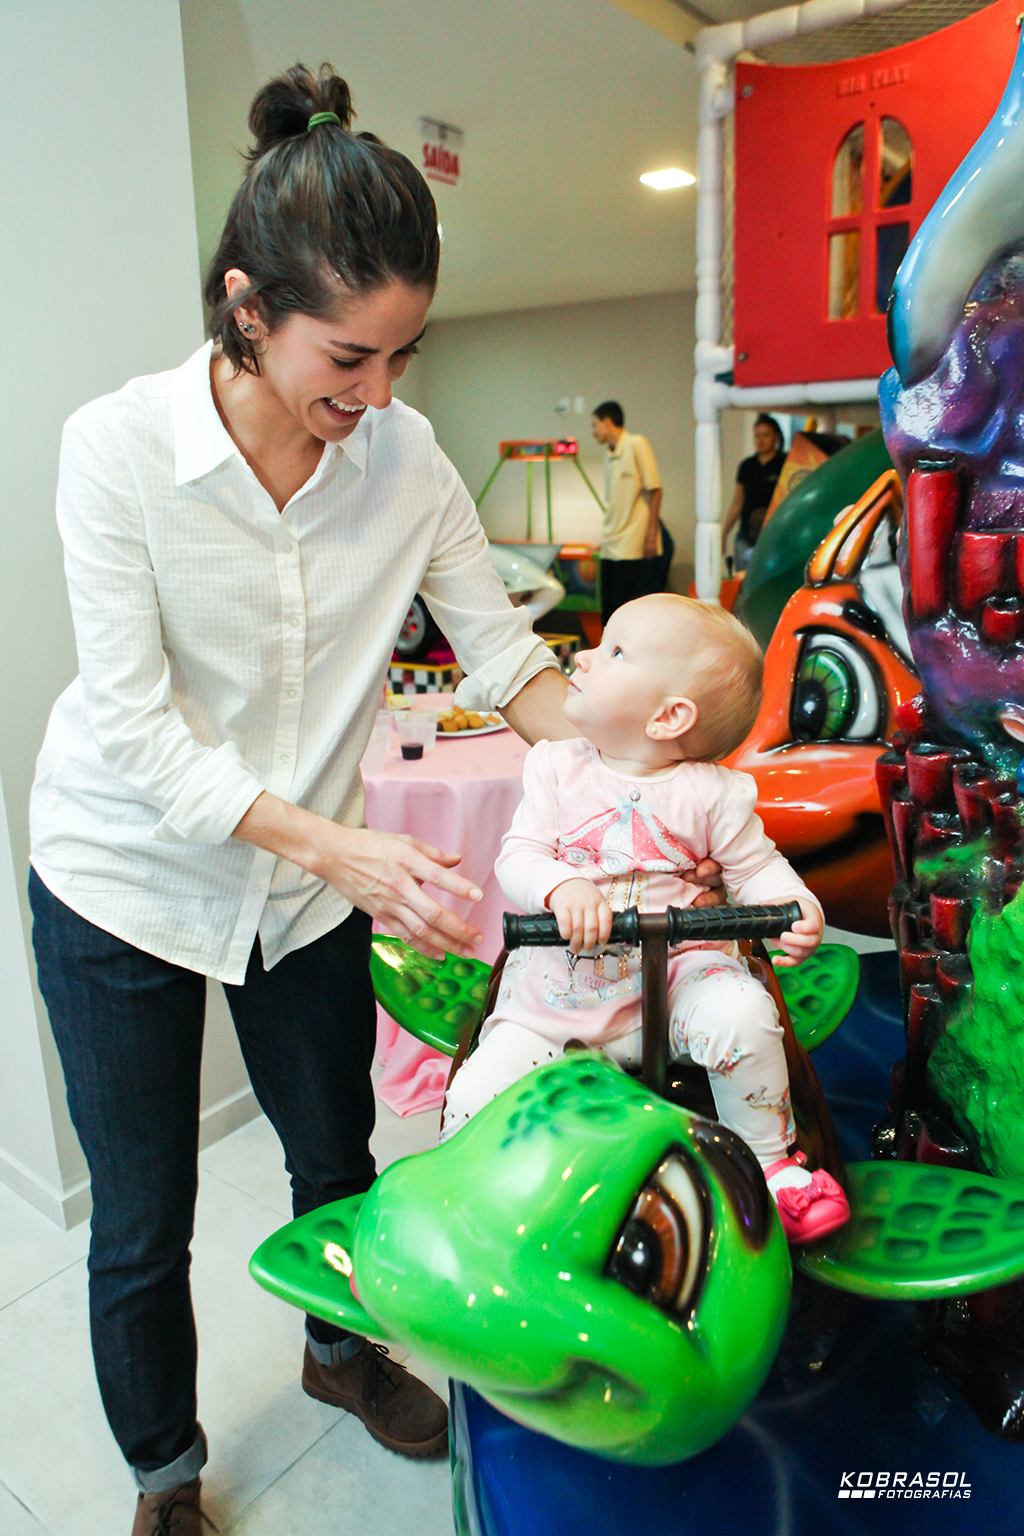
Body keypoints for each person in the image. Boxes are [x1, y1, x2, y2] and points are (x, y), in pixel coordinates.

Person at [27, 64, 578, 1536]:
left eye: (404, 357)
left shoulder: (402, 458)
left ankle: (341, 1352)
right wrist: (340, 840)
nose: (381, 398)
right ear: (246, 307)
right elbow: (137, 730)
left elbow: (510, 656)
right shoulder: (120, 450)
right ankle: (163, 1475)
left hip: (308, 886)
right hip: (122, 878)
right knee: (141, 1223)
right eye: (350, 358)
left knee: (336, 1154)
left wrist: (650, 744)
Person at [441, 595, 850, 1248]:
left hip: (677, 982)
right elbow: (517, 856)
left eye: (616, 651)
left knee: (745, 1014)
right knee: (477, 1090)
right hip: (559, 997)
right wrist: (560, 885)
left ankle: (771, 1166)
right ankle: (464, 1200)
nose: (584, 655)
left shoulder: (713, 792)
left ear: (668, 716)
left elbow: (755, 867)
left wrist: (793, 906)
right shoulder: (555, 767)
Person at [591, 401, 667, 623]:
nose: (593, 433)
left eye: (595, 425)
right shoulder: (608, 454)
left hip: (632, 546)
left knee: (628, 614)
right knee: (608, 614)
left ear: (607, 422)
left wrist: (651, 535)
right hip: (611, 545)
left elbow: (655, 489)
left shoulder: (636, 444)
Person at [722, 413, 786, 570]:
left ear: (776, 437)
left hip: (773, 535)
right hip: (746, 535)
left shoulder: (784, 463)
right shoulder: (747, 466)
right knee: (743, 580)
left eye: (766, 435)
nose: (760, 440)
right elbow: (737, 502)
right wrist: (724, 534)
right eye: (757, 436)